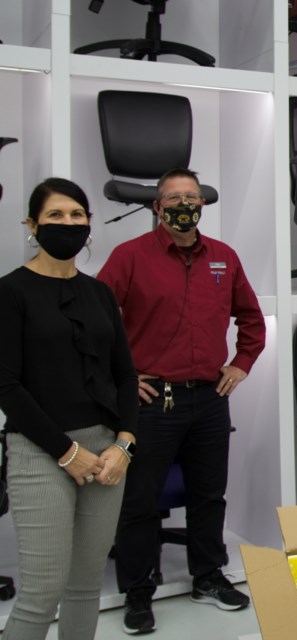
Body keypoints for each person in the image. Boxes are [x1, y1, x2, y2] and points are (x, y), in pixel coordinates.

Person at [98, 168, 266, 635]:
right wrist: (123, 379)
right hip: (154, 403)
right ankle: (137, 591)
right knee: (139, 501)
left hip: (210, 399)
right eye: (173, 198)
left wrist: (241, 364)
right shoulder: (129, 257)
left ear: (203, 204)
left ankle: (208, 577)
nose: (183, 204)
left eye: (191, 196)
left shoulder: (224, 258)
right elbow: (94, 322)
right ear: (157, 207)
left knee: (209, 495)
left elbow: (252, 320)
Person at [0, 178, 138, 640]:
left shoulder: (98, 293)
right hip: (40, 452)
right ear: (31, 225)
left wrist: (124, 443)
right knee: (42, 594)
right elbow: (6, 384)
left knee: (84, 588)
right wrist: (65, 452)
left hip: (105, 453)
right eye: (56, 215)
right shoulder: (11, 292)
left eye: (77, 215)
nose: (68, 223)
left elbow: (124, 375)